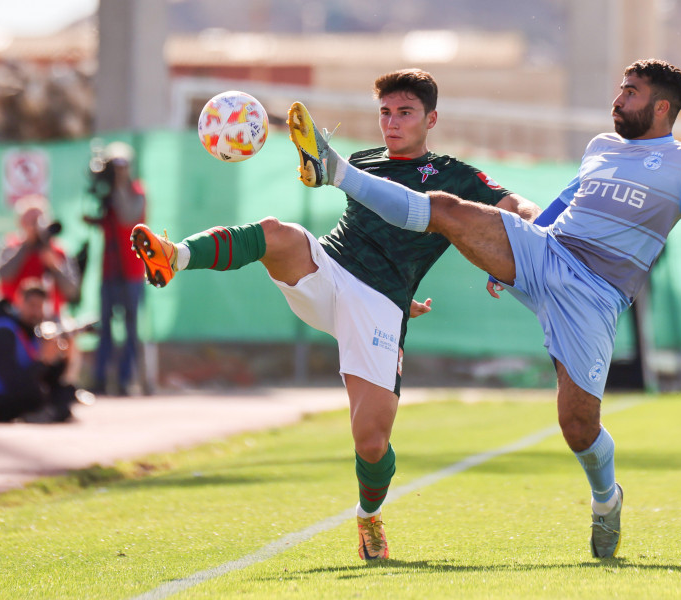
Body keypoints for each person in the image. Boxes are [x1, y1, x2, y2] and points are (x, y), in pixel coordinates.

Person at [290, 58, 681, 558]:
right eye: (620, 89)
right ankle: (335, 170)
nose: (618, 99)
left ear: (661, 107)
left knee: (578, 427)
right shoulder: (602, 147)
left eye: (629, 92)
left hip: (594, 295)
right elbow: (559, 208)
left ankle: (607, 499)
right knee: (448, 209)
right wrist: (504, 251)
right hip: (547, 252)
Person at [131, 69, 540, 560]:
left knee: (370, 440)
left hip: (379, 306)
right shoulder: (364, 161)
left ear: (431, 119)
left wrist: (528, 232)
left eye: (405, 113)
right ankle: (174, 256)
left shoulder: (454, 174)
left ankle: (369, 517)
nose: (392, 122)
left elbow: (517, 207)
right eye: (385, 112)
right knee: (276, 233)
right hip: (328, 269)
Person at [0, 280, 89, 423]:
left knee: (66, 391)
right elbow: (16, 384)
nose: (36, 312)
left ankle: (47, 413)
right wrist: (43, 361)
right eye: (32, 306)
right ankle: (43, 414)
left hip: (10, 394)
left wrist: (64, 356)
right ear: (19, 302)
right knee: (37, 394)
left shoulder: (30, 333)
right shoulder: (2, 332)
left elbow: (49, 378)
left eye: (40, 307)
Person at [83, 142, 147, 395]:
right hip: (109, 270)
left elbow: (127, 216)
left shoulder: (136, 192)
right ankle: (99, 378)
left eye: (122, 165)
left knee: (130, 328)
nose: (118, 170)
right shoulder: (107, 192)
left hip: (131, 271)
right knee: (106, 327)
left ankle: (124, 380)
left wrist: (118, 186)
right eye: (114, 166)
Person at [0, 194, 81, 319]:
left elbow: (72, 290)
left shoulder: (59, 251)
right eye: (30, 220)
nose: (35, 226)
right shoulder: (10, 246)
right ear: (20, 222)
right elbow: (4, 275)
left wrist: (54, 267)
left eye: (38, 220)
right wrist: (26, 247)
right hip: (14, 316)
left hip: (51, 317)